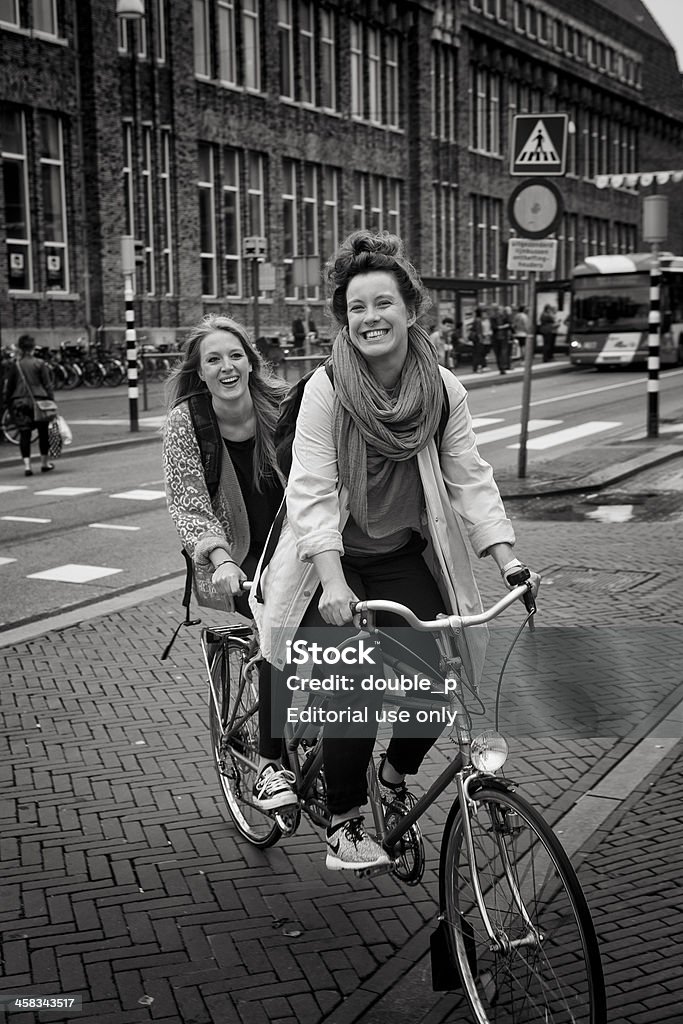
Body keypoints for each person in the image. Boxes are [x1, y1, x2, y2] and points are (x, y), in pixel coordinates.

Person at [250, 230, 540, 871]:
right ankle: (345, 822)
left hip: (402, 553)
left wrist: (506, 558)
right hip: (336, 559)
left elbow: (468, 476)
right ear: (343, 320)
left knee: (438, 681)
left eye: (383, 303)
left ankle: (392, 776)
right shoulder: (328, 389)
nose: (370, 317)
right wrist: (331, 581)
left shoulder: (442, 391)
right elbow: (313, 489)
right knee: (354, 687)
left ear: (411, 310)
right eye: (356, 307)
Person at [163, 314, 297, 811]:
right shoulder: (187, 422)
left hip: (293, 547)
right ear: (199, 372)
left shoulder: (282, 405)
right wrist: (219, 559)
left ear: (250, 361)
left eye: (235, 355)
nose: (226, 367)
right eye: (213, 359)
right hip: (234, 561)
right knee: (277, 641)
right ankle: (266, 768)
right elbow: (189, 502)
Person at [4, 334, 56, 477]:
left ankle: (27, 466)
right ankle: (44, 463)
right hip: (40, 401)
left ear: (20, 348)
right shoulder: (40, 363)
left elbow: (9, 387)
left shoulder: (16, 365)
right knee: (43, 433)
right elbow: (47, 385)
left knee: (24, 434)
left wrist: (8, 403)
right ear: (33, 347)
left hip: (20, 402)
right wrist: (52, 401)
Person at [492, 306, 512, 375]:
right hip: (496, 338)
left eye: (502, 310)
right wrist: (503, 327)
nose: (501, 312)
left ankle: (503, 368)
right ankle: (501, 367)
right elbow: (494, 327)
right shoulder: (493, 318)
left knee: (503, 353)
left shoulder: (505, 317)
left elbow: (509, 325)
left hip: (503, 338)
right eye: (500, 310)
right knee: (498, 354)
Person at [470, 307, 488, 374]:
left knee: (476, 353)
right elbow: (479, 331)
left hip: (475, 340)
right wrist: (481, 339)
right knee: (479, 353)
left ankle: (476, 367)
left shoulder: (475, 320)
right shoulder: (478, 320)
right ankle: (478, 367)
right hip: (478, 340)